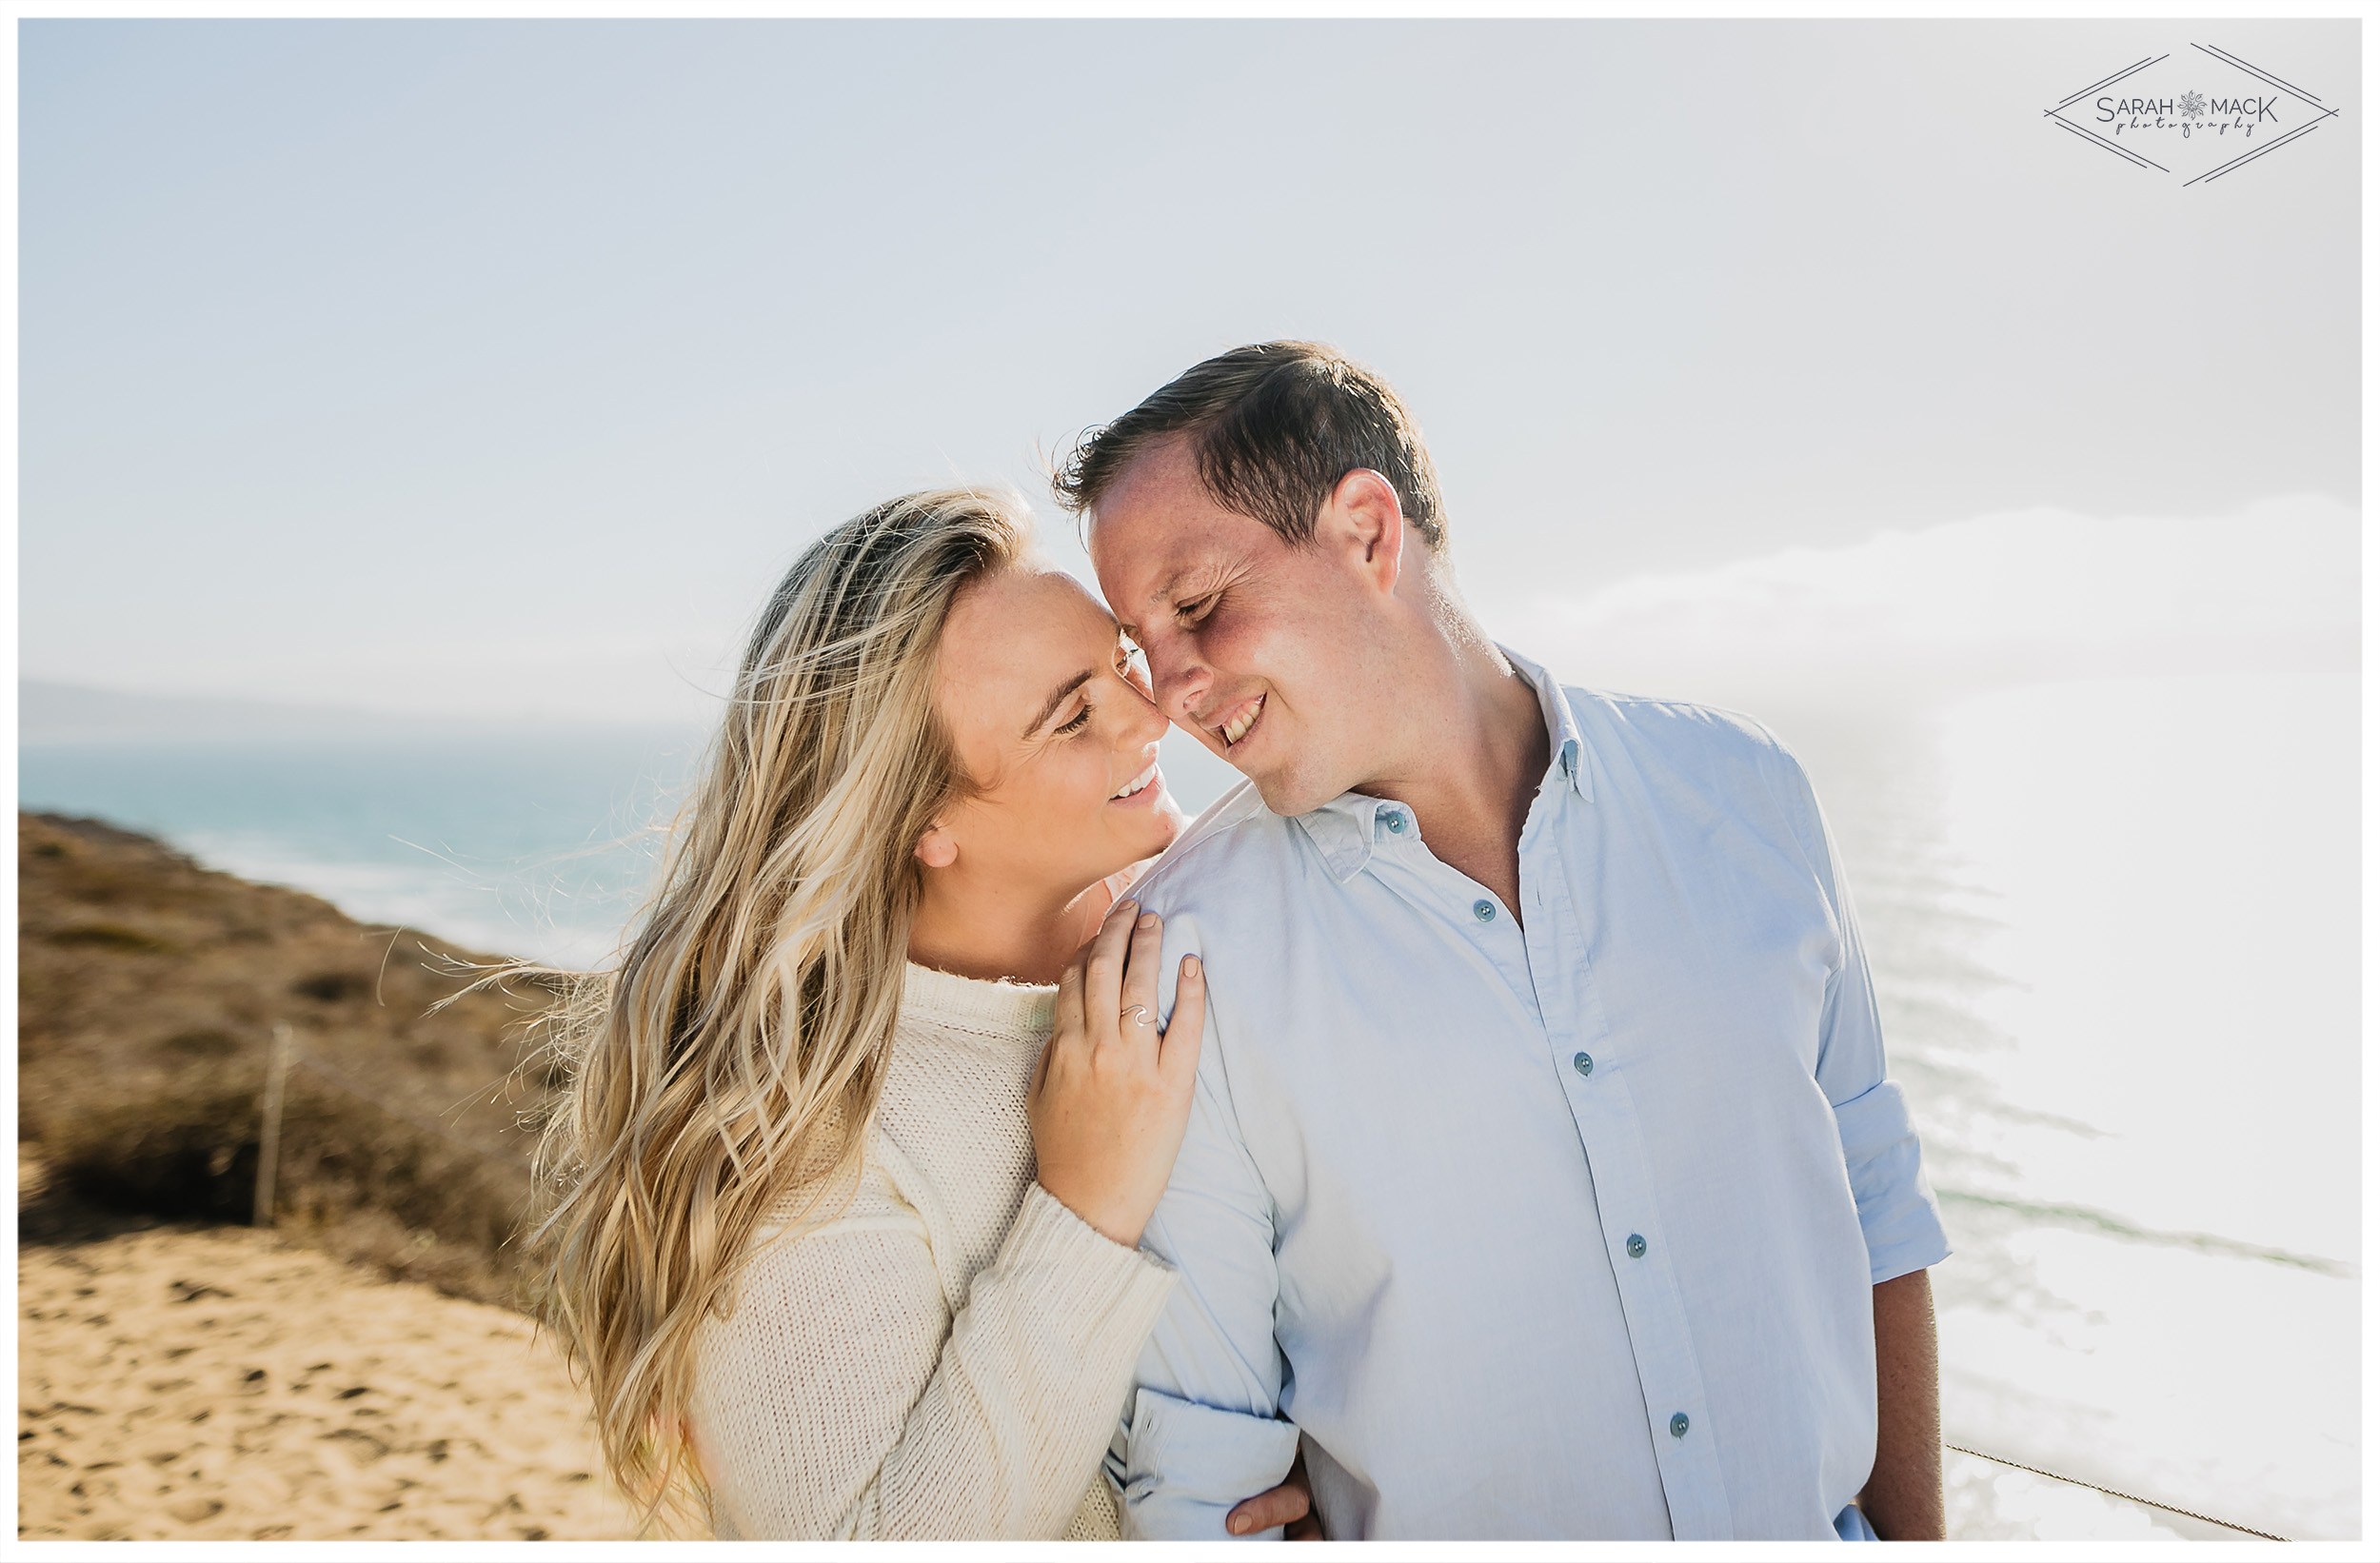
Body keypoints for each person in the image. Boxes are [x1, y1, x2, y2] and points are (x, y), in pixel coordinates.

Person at [1051, 343, 1954, 1541]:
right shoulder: (1183, 958)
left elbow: (1877, 1211)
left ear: (1369, 532)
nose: (1166, 691)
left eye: (1198, 607)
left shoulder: (1751, 795)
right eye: (1139, 641)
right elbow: (1203, 1491)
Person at [523, 489, 1312, 1538]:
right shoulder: (803, 1130)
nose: (1151, 711)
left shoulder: (1202, 932)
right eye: (1072, 714)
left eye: (1121, 662)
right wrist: (1081, 1215)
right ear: (921, 816)